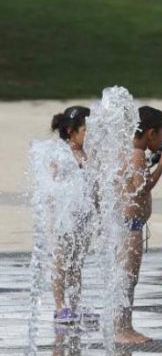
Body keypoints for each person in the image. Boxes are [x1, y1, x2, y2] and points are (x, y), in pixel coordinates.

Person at [118, 105, 162, 344]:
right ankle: (123, 329)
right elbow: (141, 188)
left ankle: (121, 326)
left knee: (125, 278)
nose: (161, 139)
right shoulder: (137, 154)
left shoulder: (130, 151)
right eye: (161, 134)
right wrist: (160, 167)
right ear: (150, 133)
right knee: (129, 278)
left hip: (126, 225)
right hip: (131, 227)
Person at [47, 106, 97, 325]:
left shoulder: (86, 153)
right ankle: (60, 307)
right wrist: (53, 216)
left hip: (82, 217)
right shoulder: (61, 153)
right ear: (70, 131)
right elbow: (51, 185)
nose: (89, 135)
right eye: (86, 130)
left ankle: (75, 305)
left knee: (77, 263)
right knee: (61, 262)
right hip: (64, 218)